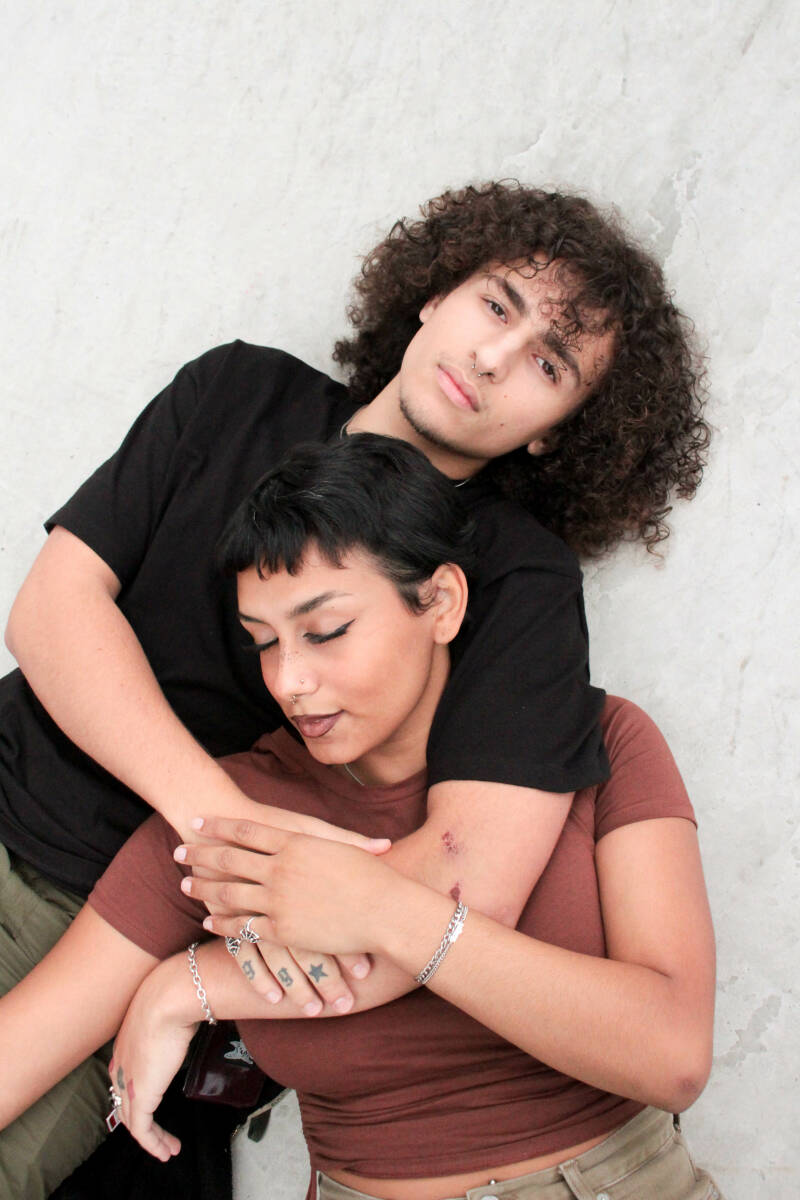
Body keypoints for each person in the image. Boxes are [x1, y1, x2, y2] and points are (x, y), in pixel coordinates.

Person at [0, 180, 709, 1195]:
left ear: (557, 429)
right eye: (495, 305)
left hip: (136, 919)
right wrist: (224, 825)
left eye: (547, 364)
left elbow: (461, 888)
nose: (492, 357)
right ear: (433, 295)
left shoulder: (518, 578)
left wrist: (190, 976)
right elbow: (51, 613)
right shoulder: (239, 392)